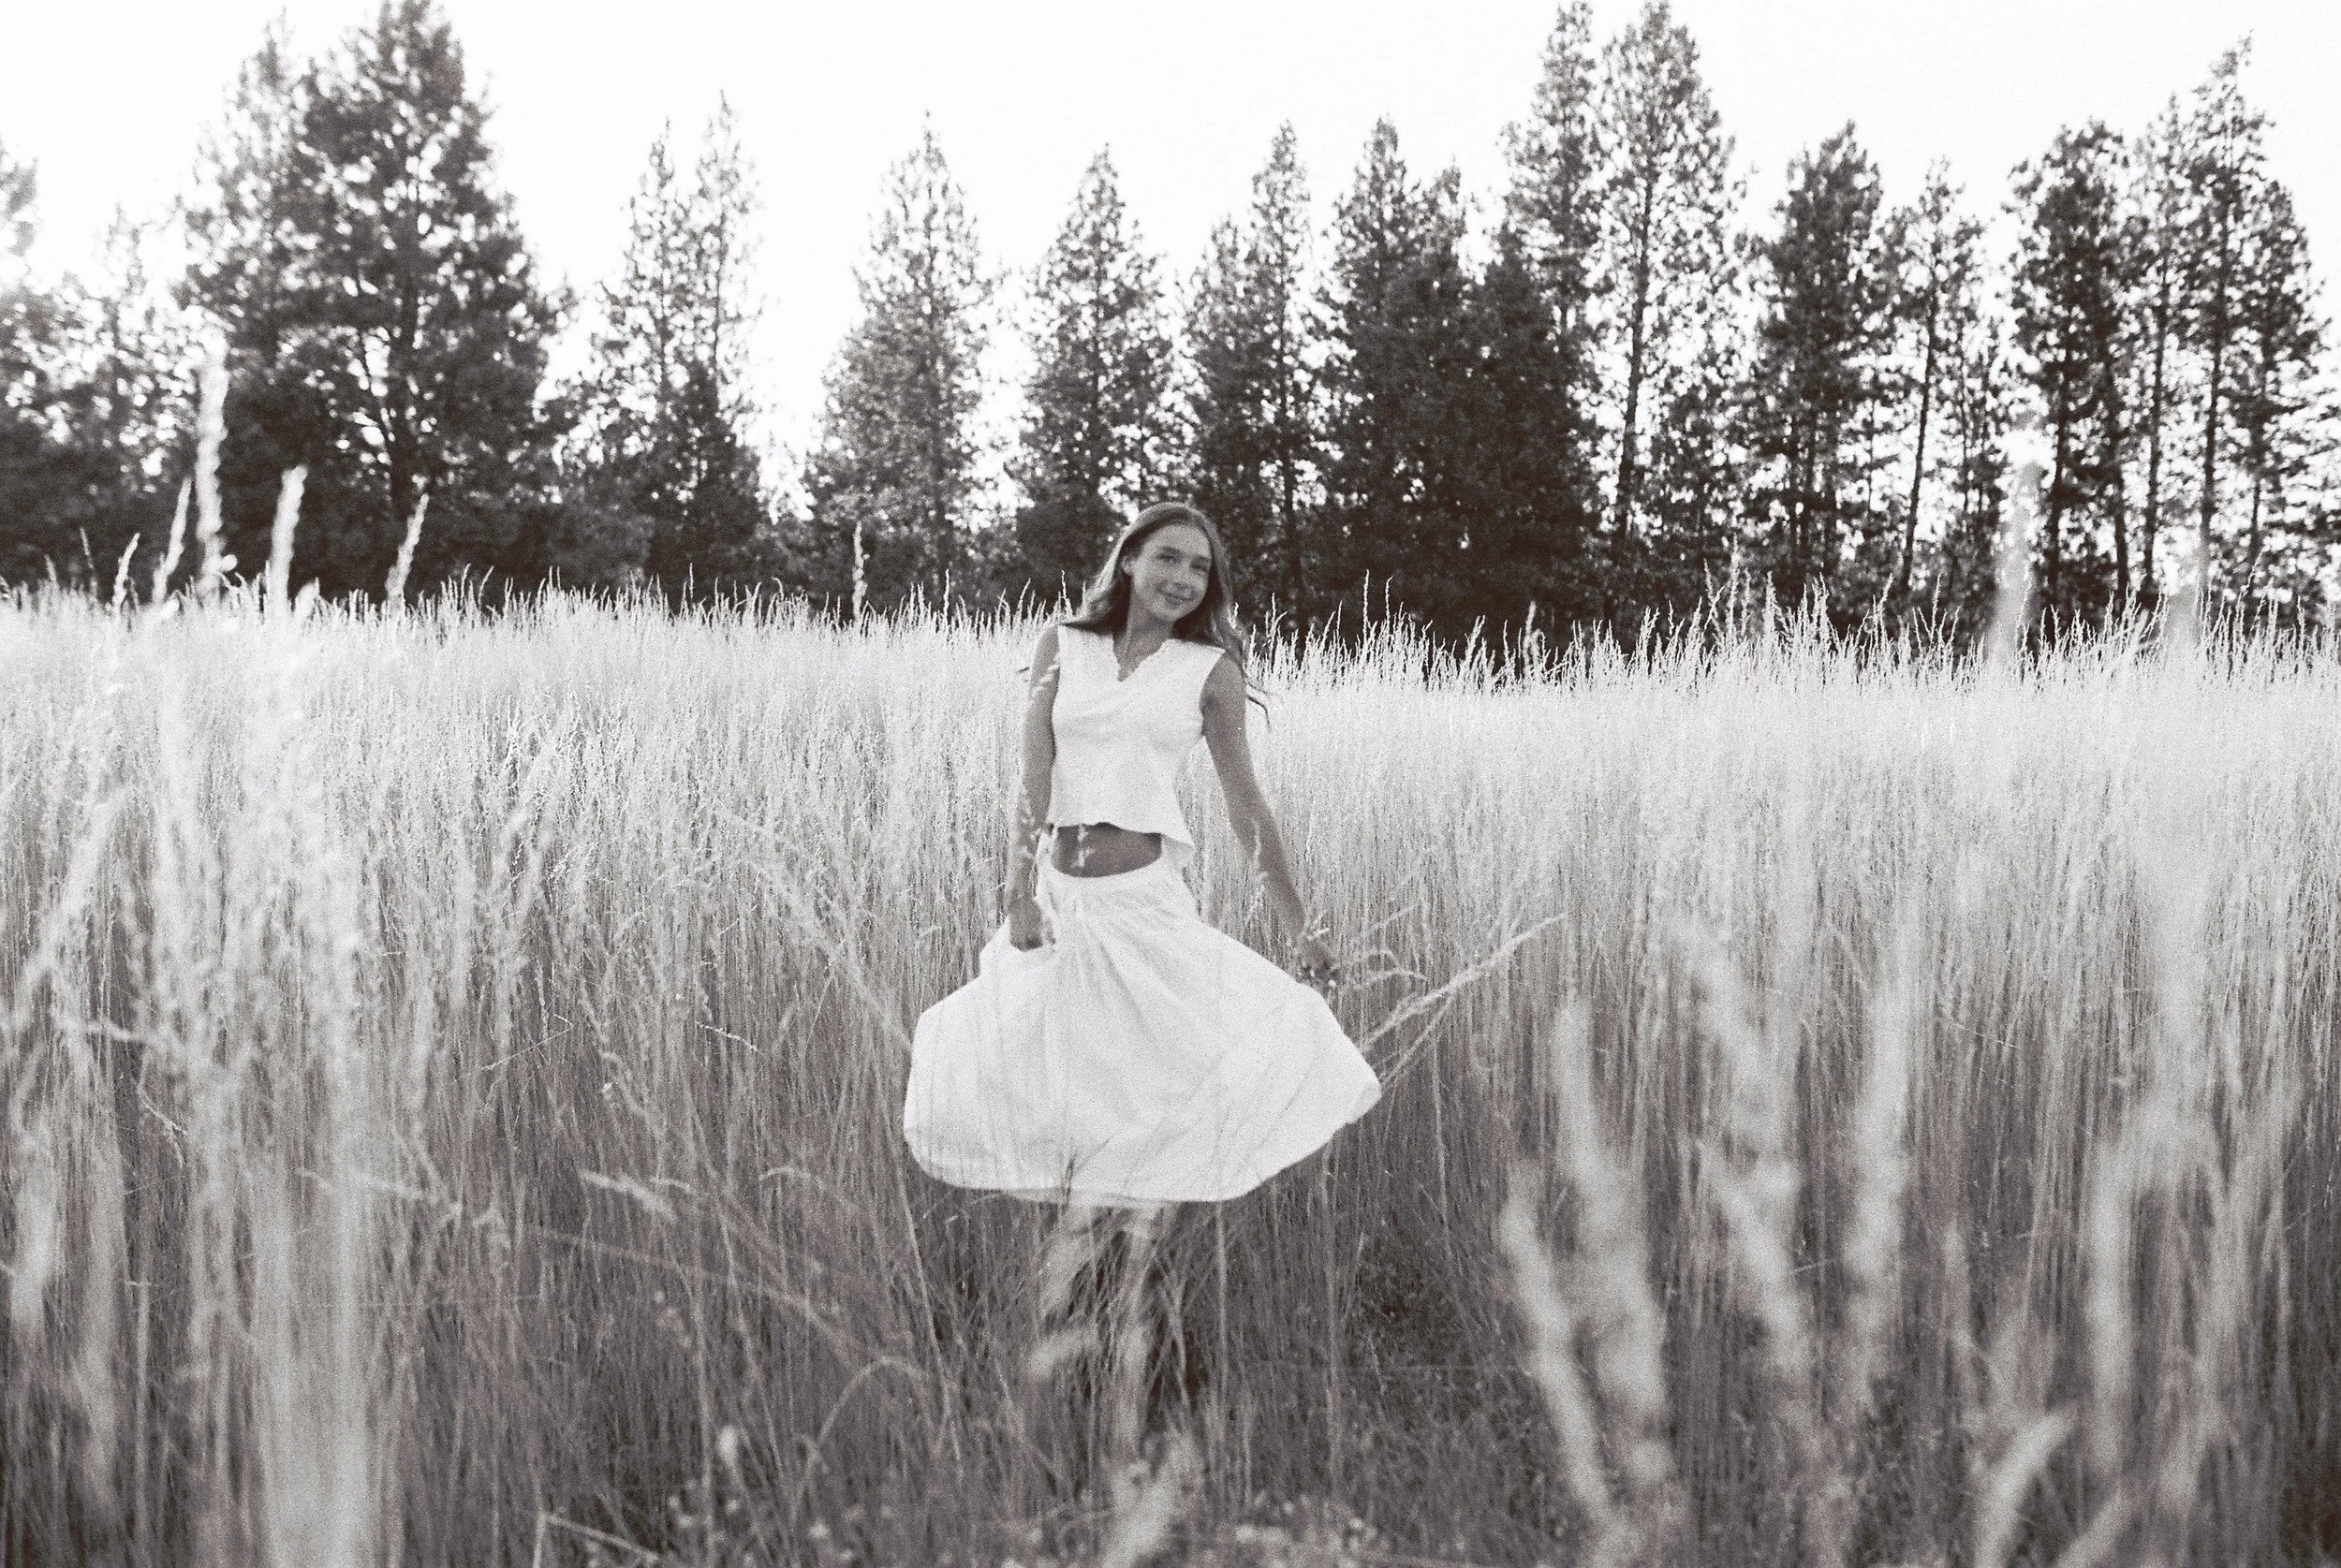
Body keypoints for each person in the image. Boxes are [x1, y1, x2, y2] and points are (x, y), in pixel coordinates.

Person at [902, 502, 1382, 1210]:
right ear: (1128, 559)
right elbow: (1032, 772)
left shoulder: (1209, 671)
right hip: (1061, 909)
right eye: (1167, 556)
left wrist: (1298, 925)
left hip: (1144, 909)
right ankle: (1082, 1283)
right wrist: (1018, 893)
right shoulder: (1062, 644)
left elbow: (1245, 803)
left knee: (1158, 1097)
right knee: (1037, 1090)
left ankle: (1142, 1283)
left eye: (1199, 567)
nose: (1183, 577)